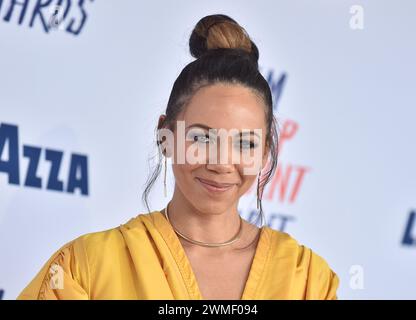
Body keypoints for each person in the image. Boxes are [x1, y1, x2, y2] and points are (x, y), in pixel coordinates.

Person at [17, 14, 339, 300]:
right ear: (165, 136)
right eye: (201, 137)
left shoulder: (307, 280)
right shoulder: (86, 268)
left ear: (265, 151)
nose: (221, 163)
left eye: (245, 143)